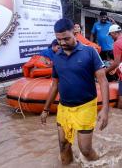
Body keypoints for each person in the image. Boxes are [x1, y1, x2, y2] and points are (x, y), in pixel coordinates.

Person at [40, 18, 110, 165]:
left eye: (66, 38)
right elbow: (55, 85)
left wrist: (105, 110)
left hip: (85, 107)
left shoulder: (89, 52)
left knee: (85, 149)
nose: (62, 42)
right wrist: (45, 109)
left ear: (75, 33)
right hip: (64, 108)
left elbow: (103, 80)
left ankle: (101, 164)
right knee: (63, 146)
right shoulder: (57, 56)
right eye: (59, 39)